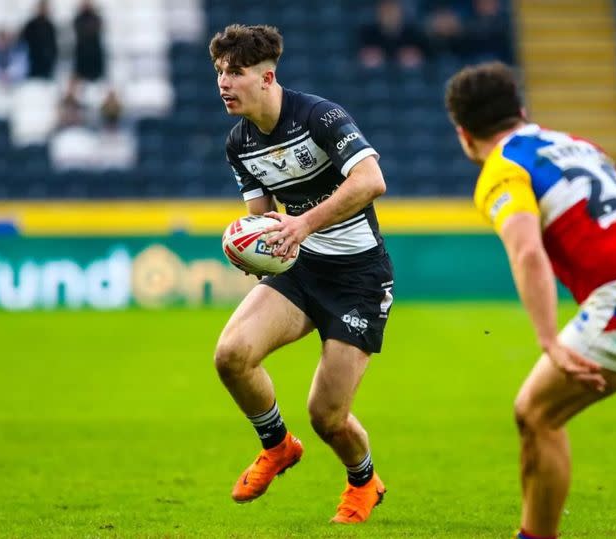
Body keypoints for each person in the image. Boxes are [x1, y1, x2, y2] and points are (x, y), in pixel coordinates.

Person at [444, 61, 616, 539]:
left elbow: (527, 250)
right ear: (522, 110)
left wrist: (549, 340)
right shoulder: (580, 145)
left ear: (464, 134)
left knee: (537, 414)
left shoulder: (503, 169)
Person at [209, 24, 394, 524]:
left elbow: (371, 179)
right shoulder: (238, 143)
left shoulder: (320, 116)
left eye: (236, 73)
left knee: (327, 417)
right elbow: (263, 219)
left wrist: (303, 223)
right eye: (220, 73)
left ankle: (364, 481)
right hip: (301, 267)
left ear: (267, 77)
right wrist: (252, 248)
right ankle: (277, 446)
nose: (224, 83)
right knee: (231, 355)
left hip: (358, 279)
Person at [21, 0, 58, 79]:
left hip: (47, 64)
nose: (43, 10)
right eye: (41, 8)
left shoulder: (50, 26)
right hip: (32, 62)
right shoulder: (30, 25)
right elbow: (23, 43)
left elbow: (53, 46)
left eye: (45, 8)